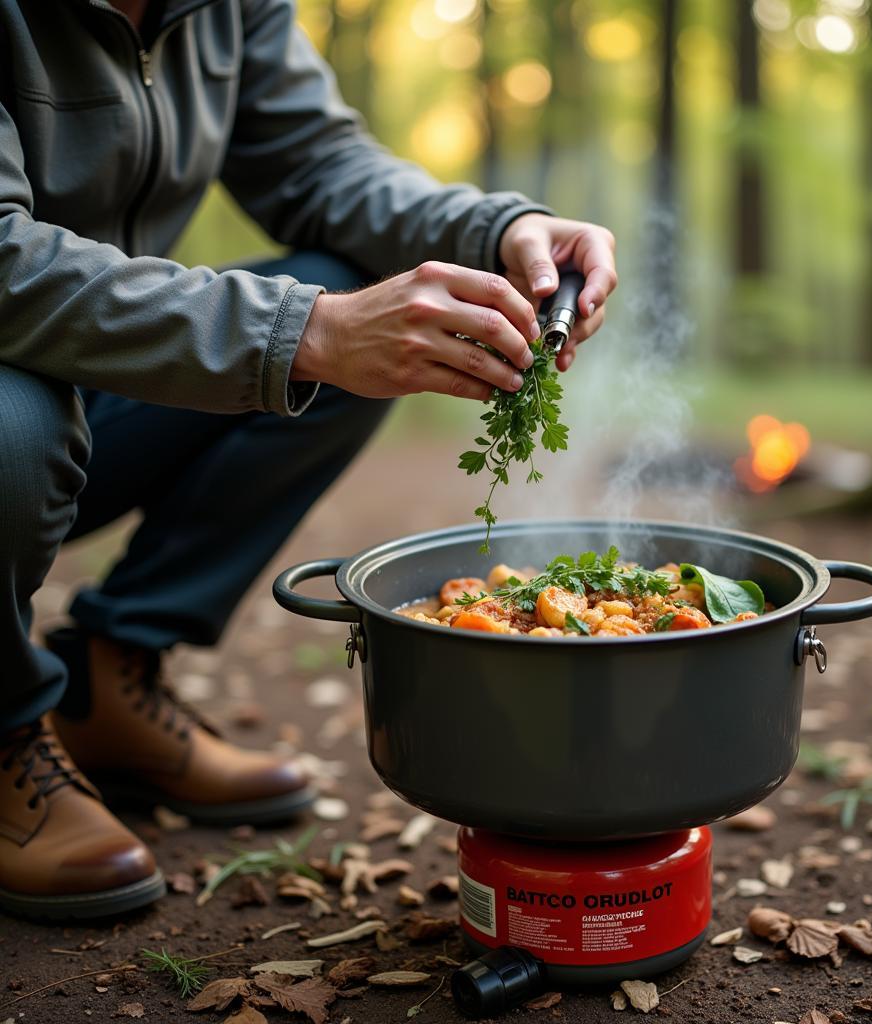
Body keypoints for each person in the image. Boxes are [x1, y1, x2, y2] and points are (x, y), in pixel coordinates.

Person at [0, 0, 617, 919]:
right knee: (23, 416)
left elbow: (321, 166)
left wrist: (499, 229)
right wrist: (306, 334)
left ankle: (111, 682)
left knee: (342, 294)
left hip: (92, 382)